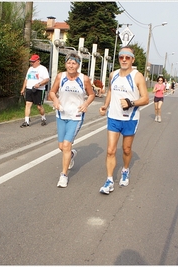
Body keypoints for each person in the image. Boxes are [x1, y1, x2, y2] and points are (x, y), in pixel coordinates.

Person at [98, 46, 149, 195]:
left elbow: (145, 98)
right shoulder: (113, 74)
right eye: (122, 57)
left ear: (132, 59)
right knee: (110, 150)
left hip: (130, 118)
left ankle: (125, 169)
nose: (124, 60)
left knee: (126, 149)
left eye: (127, 57)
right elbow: (110, 91)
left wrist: (131, 103)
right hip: (113, 117)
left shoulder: (137, 76)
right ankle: (109, 180)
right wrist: (105, 106)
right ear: (119, 58)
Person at [49, 53, 95, 188]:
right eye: (69, 63)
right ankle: (72, 155)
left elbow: (91, 94)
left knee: (67, 145)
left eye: (74, 63)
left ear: (78, 65)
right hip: (61, 114)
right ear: (65, 64)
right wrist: (56, 100)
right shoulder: (60, 76)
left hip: (76, 116)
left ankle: (63, 175)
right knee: (61, 147)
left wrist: (86, 104)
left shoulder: (84, 79)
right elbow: (52, 92)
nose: (71, 65)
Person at [20, 54, 50, 127]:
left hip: (39, 90)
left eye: (33, 62)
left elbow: (47, 79)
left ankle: (43, 118)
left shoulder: (43, 69)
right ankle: (26, 121)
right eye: (31, 62)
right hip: (29, 89)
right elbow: (26, 79)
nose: (32, 63)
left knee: (39, 107)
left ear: (38, 61)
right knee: (28, 105)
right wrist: (23, 89)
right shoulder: (30, 69)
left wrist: (39, 84)